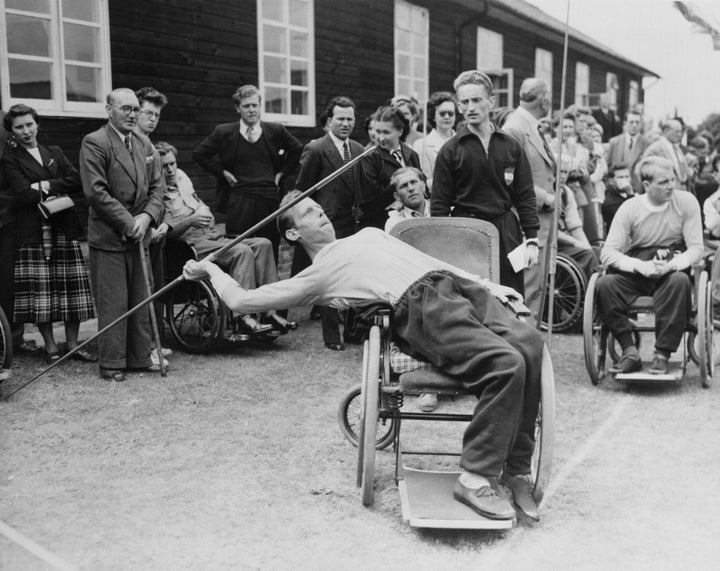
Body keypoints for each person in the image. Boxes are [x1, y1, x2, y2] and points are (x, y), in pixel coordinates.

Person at [183, 191, 546, 522]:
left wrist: (491, 286)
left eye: (319, 207)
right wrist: (211, 269)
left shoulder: (369, 234)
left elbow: (429, 260)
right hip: (423, 307)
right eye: (309, 213)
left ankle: (515, 470)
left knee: (530, 344)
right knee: (505, 364)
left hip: (454, 285)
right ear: (294, 234)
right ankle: (475, 477)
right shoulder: (320, 275)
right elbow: (241, 300)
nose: (321, 212)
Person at [156, 142, 294, 334]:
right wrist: (191, 220)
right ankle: (243, 316)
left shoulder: (183, 182)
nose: (170, 169)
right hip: (190, 246)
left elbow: (202, 207)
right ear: (156, 167)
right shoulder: (157, 193)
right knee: (242, 252)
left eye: (172, 163)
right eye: (164, 166)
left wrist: (205, 215)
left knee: (264, 243)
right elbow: (167, 235)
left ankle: (269, 311)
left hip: (213, 236)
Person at [79, 88, 165, 382]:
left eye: (135, 109)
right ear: (109, 110)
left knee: (141, 298)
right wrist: (130, 222)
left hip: (140, 233)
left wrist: (147, 217)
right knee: (114, 301)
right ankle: (112, 362)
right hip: (111, 236)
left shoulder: (145, 144)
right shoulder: (95, 142)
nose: (132, 114)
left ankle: (140, 357)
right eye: (125, 108)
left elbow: (158, 189)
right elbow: (96, 192)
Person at [1, 104, 96, 363]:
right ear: (12, 131)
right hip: (33, 230)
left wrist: (43, 185)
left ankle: (74, 345)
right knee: (43, 292)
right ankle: (51, 347)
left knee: (72, 289)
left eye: (29, 124)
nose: (26, 131)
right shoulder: (10, 158)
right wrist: (52, 189)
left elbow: (77, 180)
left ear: (37, 124)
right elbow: (22, 193)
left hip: (62, 225)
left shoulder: (53, 152)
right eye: (19, 127)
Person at [432, 70, 540, 295]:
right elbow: (439, 205)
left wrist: (531, 239)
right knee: (474, 298)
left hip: (506, 233)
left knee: (510, 298)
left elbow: (525, 195)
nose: (470, 107)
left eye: (476, 100)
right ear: (459, 106)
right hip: (467, 232)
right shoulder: (451, 151)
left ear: (491, 101)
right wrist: (444, 245)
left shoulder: (510, 146)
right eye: (464, 102)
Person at [597, 156, 703, 375]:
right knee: (604, 285)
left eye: (672, 180)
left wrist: (670, 266)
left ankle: (662, 354)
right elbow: (607, 253)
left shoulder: (686, 201)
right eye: (663, 182)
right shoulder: (629, 208)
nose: (671, 186)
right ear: (646, 185)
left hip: (670, 267)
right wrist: (640, 266)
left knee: (680, 281)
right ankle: (629, 351)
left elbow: (696, 248)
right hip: (638, 268)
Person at [192, 84, 302, 260]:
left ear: (260, 106)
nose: (251, 110)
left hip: (268, 199)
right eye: (246, 106)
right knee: (239, 249)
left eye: (255, 105)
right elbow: (199, 154)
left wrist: (282, 173)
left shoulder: (275, 131)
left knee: (269, 250)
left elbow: (297, 150)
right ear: (238, 108)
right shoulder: (224, 132)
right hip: (239, 200)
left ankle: (268, 285)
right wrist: (223, 173)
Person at [294, 96, 364, 351]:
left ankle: (354, 332)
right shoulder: (316, 149)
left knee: (354, 277)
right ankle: (332, 336)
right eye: (341, 119)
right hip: (328, 224)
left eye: (350, 119)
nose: (346, 123)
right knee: (331, 279)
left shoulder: (358, 149)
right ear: (329, 120)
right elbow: (302, 192)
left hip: (353, 222)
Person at [383, 167, 437, 413]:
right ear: (397, 195)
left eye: (414, 182)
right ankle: (430, 384)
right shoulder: (395, 222)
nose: (411, 188)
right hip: (412, 280)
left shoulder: (442, 210)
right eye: (404, 187)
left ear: (424, 184)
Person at [502, 77, 555, 320]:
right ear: (545, 100)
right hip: (526, 222)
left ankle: (533, 349)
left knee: (538, 290)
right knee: (527, 291)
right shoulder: (515, 128)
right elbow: (508, 178)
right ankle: (526, 352)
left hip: (541, 222)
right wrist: (546, 197)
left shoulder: (531, 125)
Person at [135, 87, 171, 365]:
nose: (152, 118)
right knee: (141, 288)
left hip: (155, 227)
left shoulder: (152, 147)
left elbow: (160, 191)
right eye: (148, 112)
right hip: (137, 227)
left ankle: (153, 342)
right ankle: (144, 346)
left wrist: (159, 223)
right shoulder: (130, 144)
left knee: (155, 286)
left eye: (156, 114)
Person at [357, 106, 421, 230]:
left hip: (411, 223)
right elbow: (369, 201)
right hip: (380, 225)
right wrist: (398, 185)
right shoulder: (369, 158)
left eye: (386, 132)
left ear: (400, 131)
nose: (380, 138)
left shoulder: (412, 155)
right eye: (378, 131)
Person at [411, 91, 457, 191]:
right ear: (433, 116)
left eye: (450, 113)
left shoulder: (464, 142)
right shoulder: (421, 145)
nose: (447, 117)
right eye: (442, 113)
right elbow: (422, 181)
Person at [606, 110, 650, 193]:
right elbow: (609, 166)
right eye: (631, 122)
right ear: (625, 123)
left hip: (639, 190)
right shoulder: (614, 142)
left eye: (637, 122)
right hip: (617, 190)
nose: (634, 125)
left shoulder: (647, 143)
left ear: (641, 124)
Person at [642, 119, 691, 191]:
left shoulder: (677, 148)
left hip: (681, 192)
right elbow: (647, 174)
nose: (680, 135)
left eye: (681, 132)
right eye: (677, 131)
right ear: (666, 131)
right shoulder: (654, 149)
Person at [601, 163, 634, 232]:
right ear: (611, 181)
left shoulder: (634, 193)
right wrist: (630, 193)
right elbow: (630, 217)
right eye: (620, 177)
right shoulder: (609, 201)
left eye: (627, 176)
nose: (625, 180)